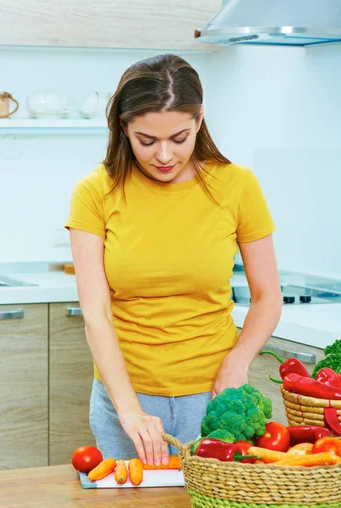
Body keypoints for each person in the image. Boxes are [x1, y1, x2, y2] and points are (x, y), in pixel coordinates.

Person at [65, 54, 282, 467]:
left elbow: (268, 296)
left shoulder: (237, 185)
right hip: (126, 396)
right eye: (146, 140)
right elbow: (97, 316)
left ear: (199, 121)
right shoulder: (96, 192)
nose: (163, 155)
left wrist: (237, 362)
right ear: (123, 127)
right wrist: (127, 408)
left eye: (179, 138)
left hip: (215, 396)